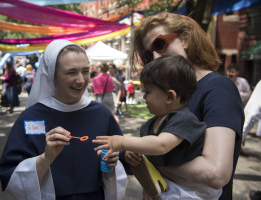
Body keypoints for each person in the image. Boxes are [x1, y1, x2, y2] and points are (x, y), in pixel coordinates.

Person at [129, 12, 244, 200]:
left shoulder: (218, 88)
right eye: (148, 55)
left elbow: (215, 173)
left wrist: (151, 160)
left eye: (160, 44)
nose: (156, 57)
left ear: (184, 39)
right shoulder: (171, 93)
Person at [0, 40, 128, 200]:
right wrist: (46, 158)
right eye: (71, 72)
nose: (80, 80)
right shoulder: (31, 118)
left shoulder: (102, 114)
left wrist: (113, 163)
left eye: (85, 71)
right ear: (52, 75)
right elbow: (11, 176)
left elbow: (121, 160)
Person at [94, 55, 222, 199]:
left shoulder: (184, 119)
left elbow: (161, 145)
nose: (143, 97)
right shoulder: (149, 126)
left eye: (147, 92)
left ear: (169, 97)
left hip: (191, 190)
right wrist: (133, 155)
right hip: (166, 186)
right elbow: (149, 157)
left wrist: (123, 142)